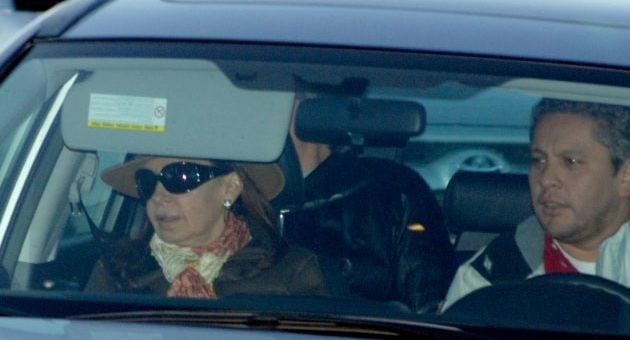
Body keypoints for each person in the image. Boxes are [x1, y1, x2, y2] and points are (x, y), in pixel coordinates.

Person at [442, 98, 630, 340]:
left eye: (571, 162)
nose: (547, 179)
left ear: (627, 175)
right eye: (538, 160)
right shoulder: (491, 277)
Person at [280, 91, 455, 313]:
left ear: (317, 108)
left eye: (274, 95)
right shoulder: (233, 188)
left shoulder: (392, 190)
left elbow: (430, 306)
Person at [86, 155, 328, 298]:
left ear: (230, 188)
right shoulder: (116, 271)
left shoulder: (291, 270)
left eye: (180, 177)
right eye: (147, 182)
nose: (159, 196)